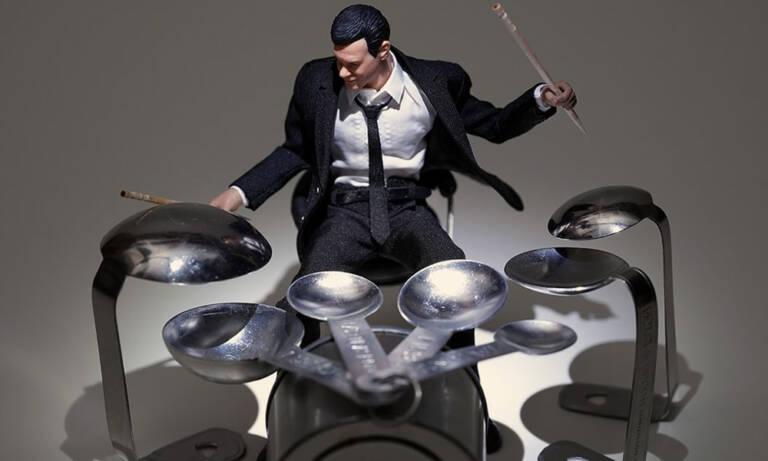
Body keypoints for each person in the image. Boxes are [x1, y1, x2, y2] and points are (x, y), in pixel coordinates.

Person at [210, 4, 576, 453]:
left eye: (352, 64)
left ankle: (471, 412)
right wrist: (236, 194)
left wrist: (541, 99)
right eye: (338, 61)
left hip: (407, 209)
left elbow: (495, 124)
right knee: (305, 296)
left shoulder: (437, 81)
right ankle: (287, 422)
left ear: (383, 50)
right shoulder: (315, 81)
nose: (342, 73)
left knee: (457, 287)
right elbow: (295, 149)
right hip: (344, 212)